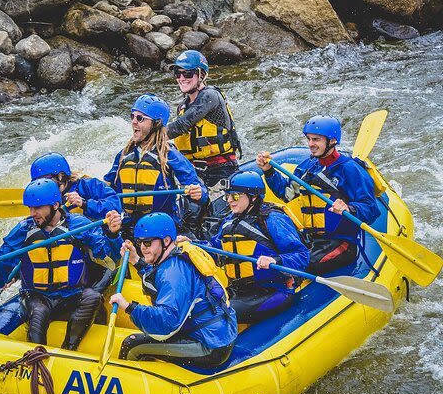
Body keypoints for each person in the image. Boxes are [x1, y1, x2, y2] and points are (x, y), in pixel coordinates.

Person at [0, 178, 124, 351]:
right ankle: (36, 356)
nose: (33, 213)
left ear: (55, 205)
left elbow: (109, 256)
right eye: (30, 208)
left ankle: (68, 350)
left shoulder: (78, 225)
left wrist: (113, 235)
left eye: (38, 207)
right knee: (39, 312)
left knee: (92, 297)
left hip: (71, 295)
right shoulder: (23, 231)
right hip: (37, 297)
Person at [109, 212, 238, 368]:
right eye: (140, 242)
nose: (143, 248)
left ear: (166, 241)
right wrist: (136, 261)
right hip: (213, 333)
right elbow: (157, 280)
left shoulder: (174, 272)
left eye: (148, 243)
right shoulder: (175, 257)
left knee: (132, 346)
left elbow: (166, 323)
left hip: (210, 345)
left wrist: (129, 307)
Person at [256, 115, 380, 275]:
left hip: (340, 243)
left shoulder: (349, 169)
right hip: (311, 240)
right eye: (308, 139)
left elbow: (371, 209)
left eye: (316, 140)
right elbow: (286, 193)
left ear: (332, 141)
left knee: (292, 266)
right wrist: (268, 171)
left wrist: (349, 208)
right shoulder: (308, 166)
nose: (310, 144)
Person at [204, 171, 309, 326]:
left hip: (274, 290)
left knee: (222, 312)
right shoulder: (229, 221)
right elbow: (214, 249)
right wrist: (192, 245)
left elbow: (302, 256)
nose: (230, 201)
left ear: (253, 197)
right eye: (228, 196)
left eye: (236, 196)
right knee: (203, 308)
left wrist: (275, 260)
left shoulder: (273, 219)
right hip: (241, 291)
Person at [103, 93, 207, 239]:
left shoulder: (169, 155)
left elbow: (199, 189)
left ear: (156, 124)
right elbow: (105, 190)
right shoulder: (123, 155)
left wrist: (199, 192)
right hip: (128, 227)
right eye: (132, 116)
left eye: (140, 118)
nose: (133, 121)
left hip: (161, 229)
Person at [166, 50, 242, 190]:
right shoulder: (183, 107)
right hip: (195, 173)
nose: (181, 78)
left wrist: (151, 136)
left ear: (201, 74)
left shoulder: (210, 96)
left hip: (221, 171)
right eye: (178, 73)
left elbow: (180, 126)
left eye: (188, 73)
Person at [30, 151, 122, 221]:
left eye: (46, 180)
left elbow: (115, 207)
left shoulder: (89, 185)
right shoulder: (40, 198)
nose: (41, 185)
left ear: (60, 176)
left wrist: (84, 204)